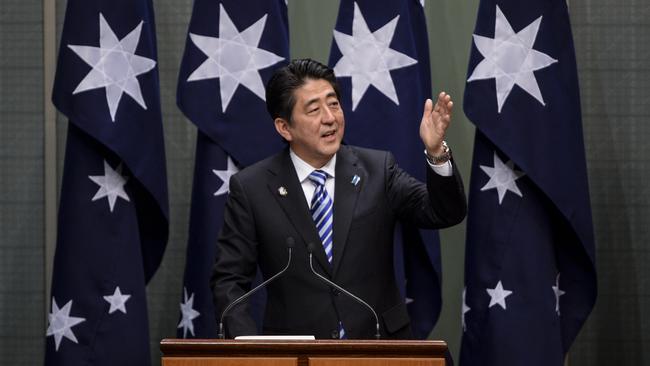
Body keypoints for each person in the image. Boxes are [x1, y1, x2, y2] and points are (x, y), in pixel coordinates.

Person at [210, 58, 466, 339]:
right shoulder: (252, 188)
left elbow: (444, 212)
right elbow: (229, 281)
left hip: (380, 346)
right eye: (314, 109)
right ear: (285, 127)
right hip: (296, 354)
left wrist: (436, 152)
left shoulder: (377, 170)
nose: (330, 118)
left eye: (333, 104)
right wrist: (252, 352)